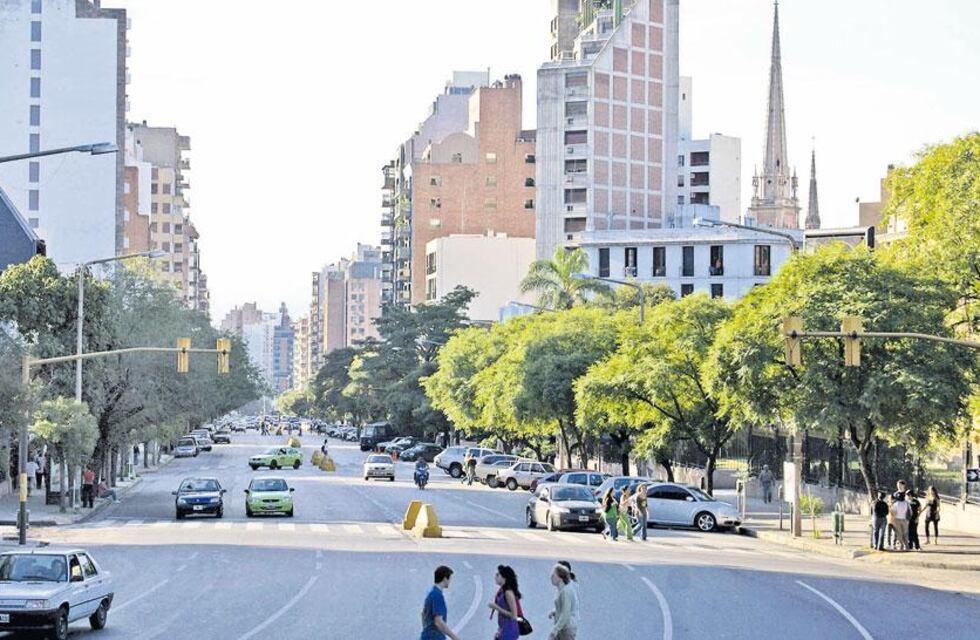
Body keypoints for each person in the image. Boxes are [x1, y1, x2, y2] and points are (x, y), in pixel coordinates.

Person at [421, 565, 460, 640]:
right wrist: (455, 637)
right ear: (445, 579)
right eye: (450, 579)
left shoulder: (431, 592)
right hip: (435, 636)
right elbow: (438, 622)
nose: (450, 581)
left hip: (427, 635)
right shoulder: (437, 595)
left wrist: (426, 629)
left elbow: (423, 614)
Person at [488, 565, 522, 640]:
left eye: (498, 575)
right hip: (504, 628)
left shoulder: (508, 593)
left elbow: (514, 615)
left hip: (509, 630)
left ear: (504, 578)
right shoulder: (502, 591)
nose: (495, 577)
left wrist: (496, 607)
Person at [548, 563, 579, 640]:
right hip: (561, 626)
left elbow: (566, 613)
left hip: (566, 628)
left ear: (560, 578)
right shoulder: (560, 589)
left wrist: (556, 629)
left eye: (554, 575)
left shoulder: (566, 591)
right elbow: (562, 607)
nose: (551, 577)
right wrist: (554, 611)